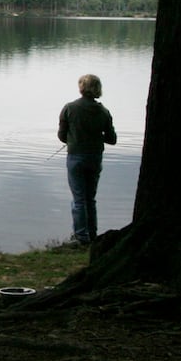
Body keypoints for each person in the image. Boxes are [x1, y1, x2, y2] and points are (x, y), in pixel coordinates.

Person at [57, 73, 117, 246]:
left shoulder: (69, 108)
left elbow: (62, 135)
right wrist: (97, 136)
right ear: (98, 89)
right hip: (95, 158)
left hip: (75, 157)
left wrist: (73, 137)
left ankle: (81, 237)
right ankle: (92, 235)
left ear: (81, 87)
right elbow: (112, 139)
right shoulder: (104, 112)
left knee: (79, 199)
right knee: (90, 199)